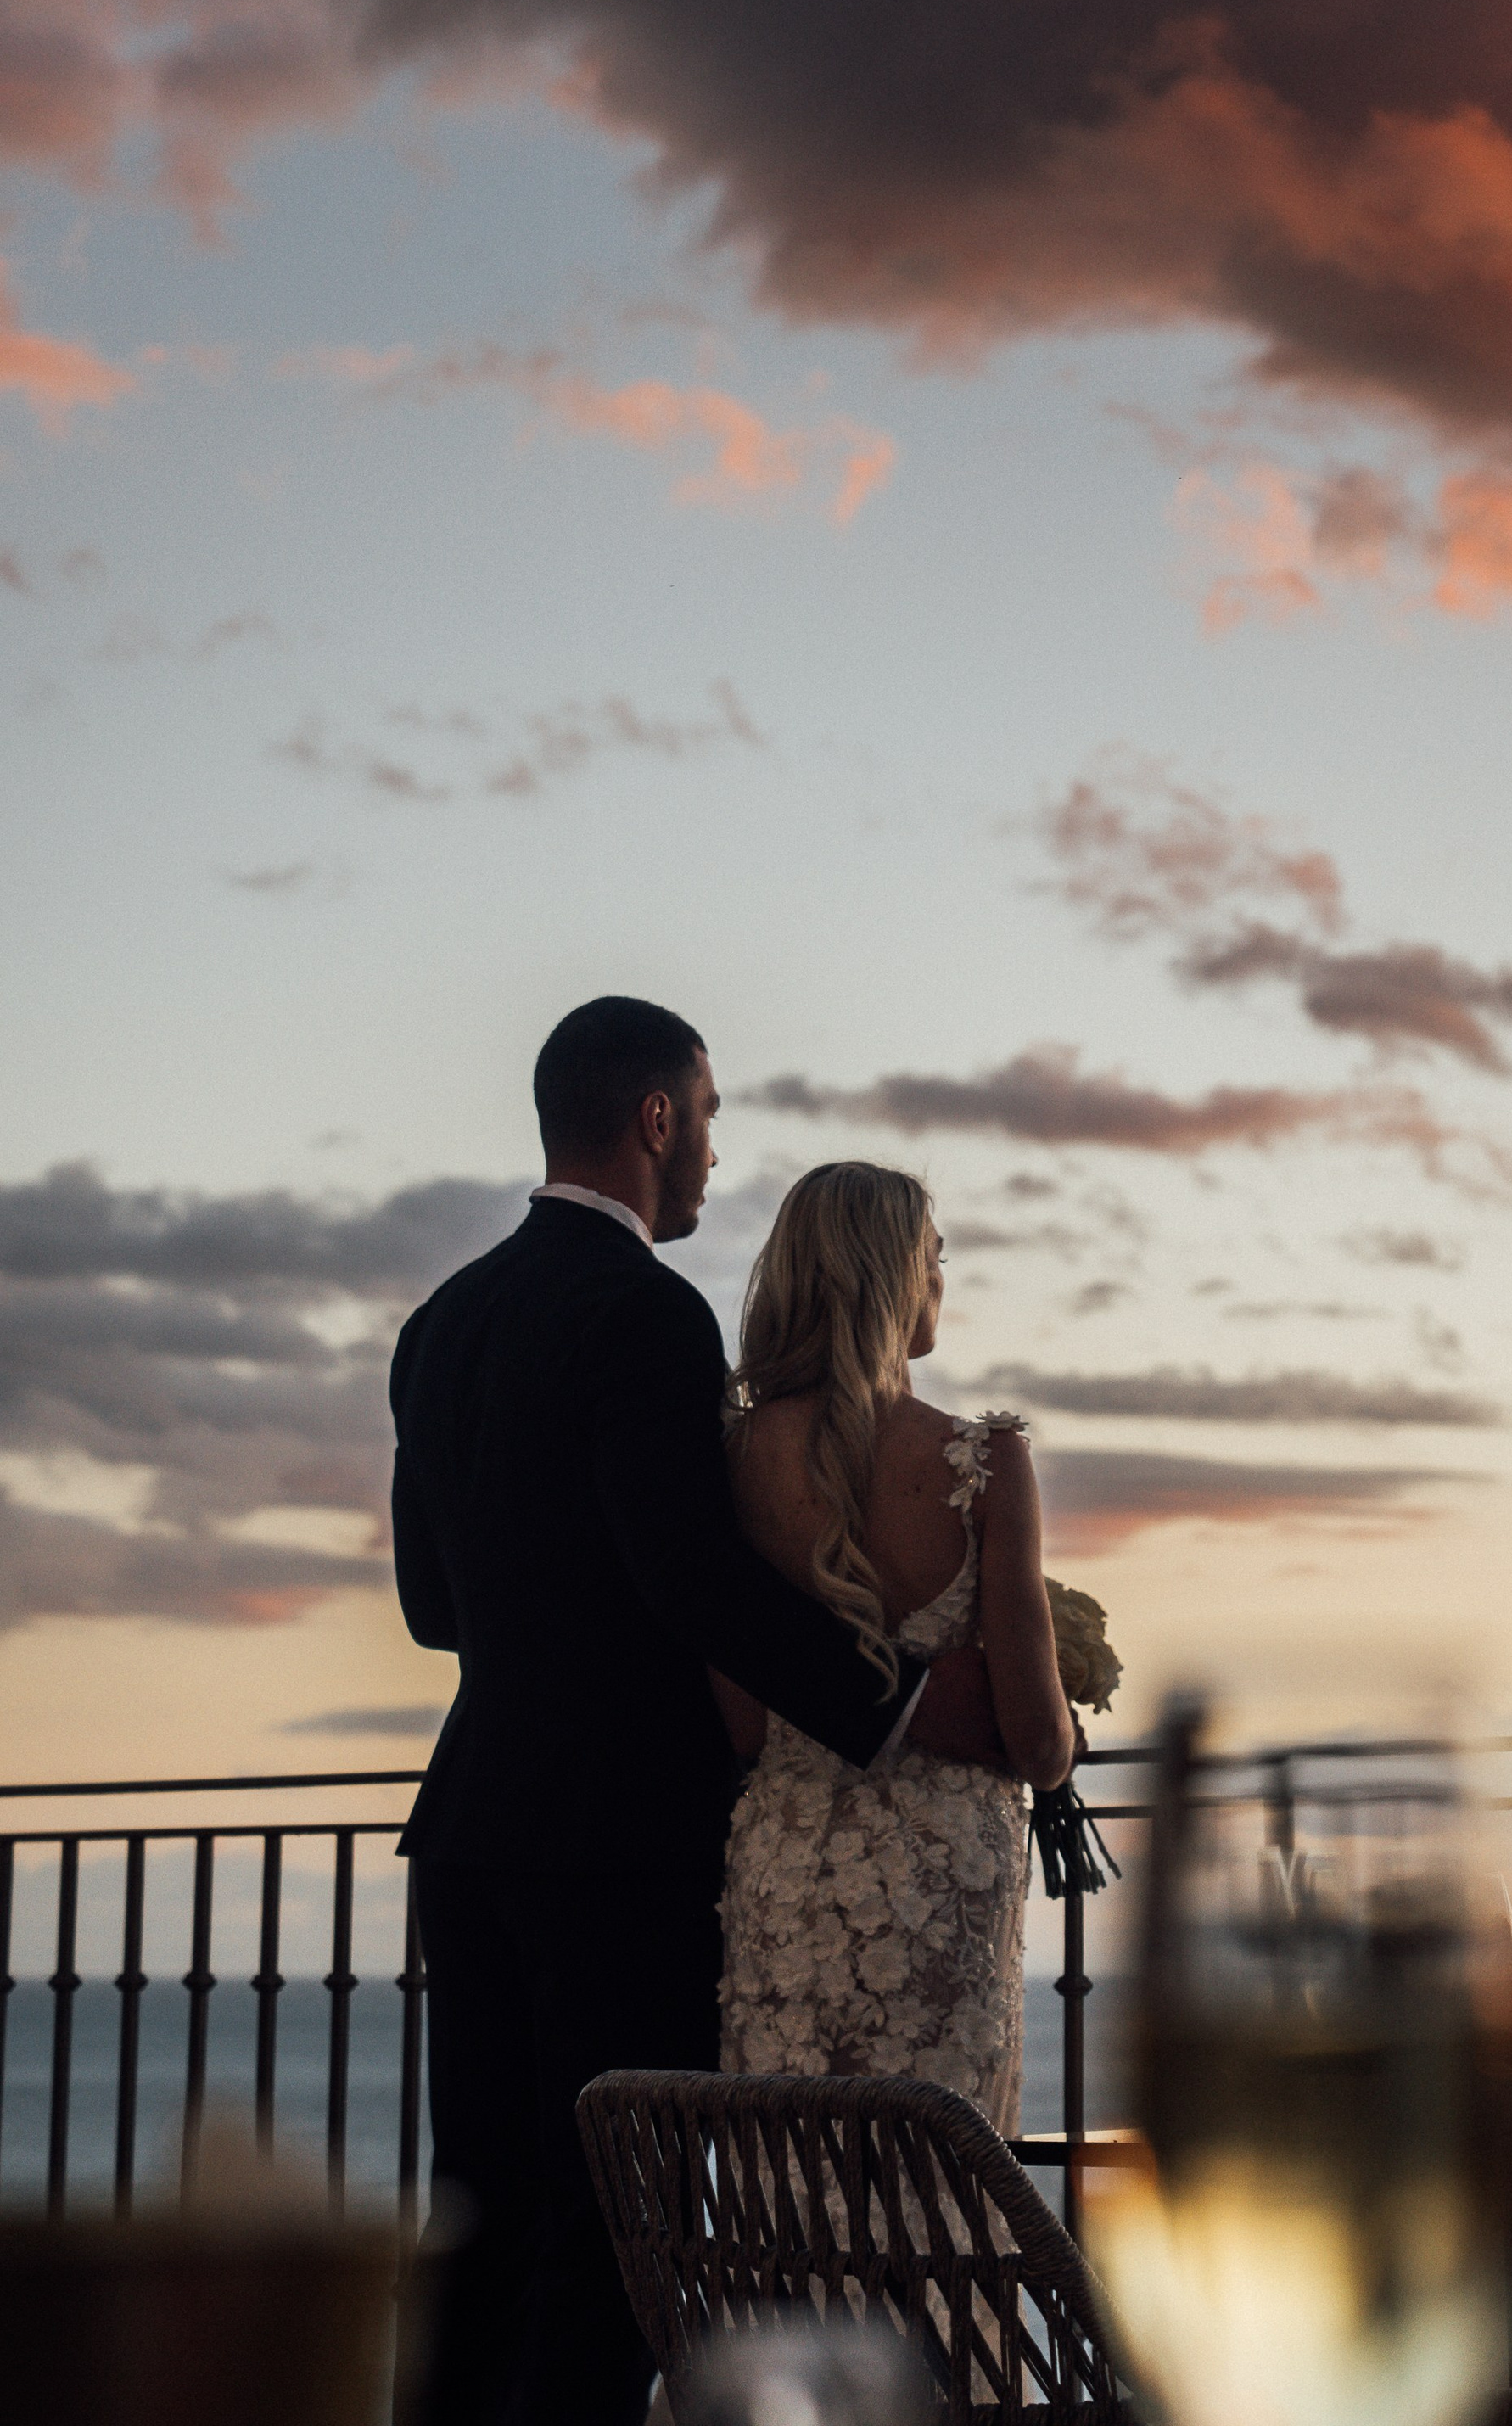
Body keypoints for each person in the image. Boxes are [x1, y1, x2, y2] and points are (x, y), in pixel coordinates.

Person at [389, 1001, 1010, 2426]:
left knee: (475, 2227)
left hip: (472, 1829)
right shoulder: (644, 1316)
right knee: (621, 2232)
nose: (719, 1155)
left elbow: (435, 1606)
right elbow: (690, 1580)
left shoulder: (444, 1321)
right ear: (656, 1120)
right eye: (712, 1117)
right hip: (619, 1842)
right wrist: (903, 1700)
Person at [714, 1161, 1076, 2132]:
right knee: (937, 2184)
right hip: (943, 1893)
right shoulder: (983, 1460)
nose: (941, 1281)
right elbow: (1038, 1747)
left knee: (793, 2192)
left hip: (783, 1876)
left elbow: (740, 1725)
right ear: (893, 1278)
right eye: (934, 1258)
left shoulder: (730, 1459)